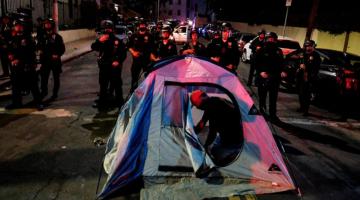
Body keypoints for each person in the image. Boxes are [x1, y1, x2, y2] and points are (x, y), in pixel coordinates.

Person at [190, 90, 243, 156]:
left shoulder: (212, 107)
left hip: (233, 140)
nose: (197, 107)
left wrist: (205, 147)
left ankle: (233, 153)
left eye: (196, 105)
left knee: (214, 152)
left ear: (200, 102)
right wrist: (193, 131)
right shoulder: (214, 101)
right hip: (237, 134)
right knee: (215, 143)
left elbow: (212, 133)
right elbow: (202, 122)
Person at [6, 20, 43, 110]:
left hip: (27, 66)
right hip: (16, 67)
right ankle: (16, 103)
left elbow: (30, 53)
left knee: (33, 85)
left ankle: (38, 103)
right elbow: (9, 50)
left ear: (23, 27)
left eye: (19, 26)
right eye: (16, 26)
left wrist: (19, 60)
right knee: (16, 86)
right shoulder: (12, 38)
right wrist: (10, 56)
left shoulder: (28, 38)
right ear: (14, 27)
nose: (18, 27)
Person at [91, 20, 127, 108]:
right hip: (104, 66)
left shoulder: (117, 41)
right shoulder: (101, 40)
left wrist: (118, 61)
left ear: (112, 29)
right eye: (105, 29)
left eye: (109, 29)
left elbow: (123, 53)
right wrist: (100, 41)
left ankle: (119, 101)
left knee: (117, 85)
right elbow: (93, 47)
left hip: (114, 67)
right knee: (103, 85)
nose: (107, 31)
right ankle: (102, 102)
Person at [255, 32, 286, 122]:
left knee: (273, 98)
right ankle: (262, 112)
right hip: (263, 77)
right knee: (262, 96)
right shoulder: (261, 50)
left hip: (275, 77)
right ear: (266, 39)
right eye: (269, 39)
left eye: (273, 39)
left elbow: (282, 63)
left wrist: (282, 71)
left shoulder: (278, 51)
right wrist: (260, 72)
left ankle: (273, 115)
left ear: (275, 40)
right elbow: (256, 62)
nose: (271, 40)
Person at [37, 18, 65, 100]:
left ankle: (55, 93)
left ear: (52, 25)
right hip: (45, 61)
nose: (47, 25)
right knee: (44, 78)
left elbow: (62, 48)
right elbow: (39, 47)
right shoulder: (42, 36)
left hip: (55, 61)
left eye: (49, 24)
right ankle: (44, 92)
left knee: (56, 78)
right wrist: (39, 50)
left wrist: (58, 55)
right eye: (46, 24)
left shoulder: (58, 37)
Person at [128, 20, 154, 93]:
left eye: (143, 25)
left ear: (146, 26)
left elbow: (153, 48)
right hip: (136, 60)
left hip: (146, 60)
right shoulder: (134, 35)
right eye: (141, 25)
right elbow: (129, 46)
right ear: (139, 26)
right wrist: (133, 52)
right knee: (134, 78)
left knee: (148, 78)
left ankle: (147, 93)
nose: (142, 26)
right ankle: (133, 93)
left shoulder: (150, 36)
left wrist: (152, 56)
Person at [296, 39, 321, 116]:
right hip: (300, 76)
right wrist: (299, 66)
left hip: (309, 77)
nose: (308, 48)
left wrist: (306, 67)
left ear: (313, 46)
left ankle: (306, 110)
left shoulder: (316, 55)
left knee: (306, 94)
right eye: (307, 46)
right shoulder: (303, 54)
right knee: (300, 93)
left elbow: (316, 66)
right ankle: (302, 107)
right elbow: (297, 62)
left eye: (309, 46)